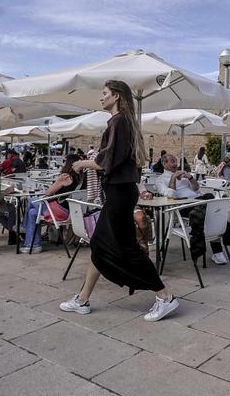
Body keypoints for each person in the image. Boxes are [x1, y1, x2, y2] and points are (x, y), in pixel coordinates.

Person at [59, 80, 180, 322]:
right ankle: (82, 299)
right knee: (99, 244)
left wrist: (82, 163)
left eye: (104, 94)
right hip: (119, 193)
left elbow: (108, 160)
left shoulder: (119, 122)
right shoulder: (122, 122)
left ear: (116, 96)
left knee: (124, 247)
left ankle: (165, 295)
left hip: (118, 194)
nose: (101, 98)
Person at [153, 153, 228, 265]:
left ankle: (212, 249)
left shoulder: (183, 176)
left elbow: (197, 190)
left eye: (176, 161)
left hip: (197, 202)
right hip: (183, 207)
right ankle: (218, 252)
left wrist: (190, 178)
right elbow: (171, 195)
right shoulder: (160, 180)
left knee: (209, 197)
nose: (176, 164)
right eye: (172, 161)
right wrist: (173, 178)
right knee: (212, 215)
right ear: (164, 163)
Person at [21, 154, 81, 253]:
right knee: (32, 212)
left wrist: (58, 180)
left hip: (61, 212)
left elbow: (48, 192)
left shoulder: (65, 176)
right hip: (72, 212)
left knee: (32, 200)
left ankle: (23, 226)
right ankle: (34, 245)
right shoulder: (80, 177)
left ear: (68, 163)